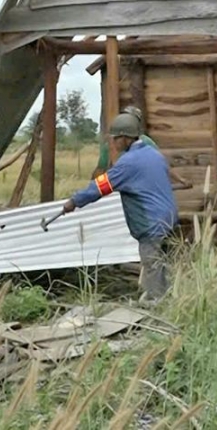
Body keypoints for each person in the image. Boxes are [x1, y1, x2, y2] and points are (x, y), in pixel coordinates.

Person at [64, 113, 178, 302]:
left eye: (116, 138)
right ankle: (166, 297)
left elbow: (101, 186)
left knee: (151, 262)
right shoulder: (154, 154)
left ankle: (156, 302)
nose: (114, 143)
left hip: (151, 220)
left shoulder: (128, 163)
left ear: (125, 138)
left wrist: (74, 201)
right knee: (161, 262)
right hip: (168, 216)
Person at [93, 105, 192, 189]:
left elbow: (162, 164)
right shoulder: (112, 144)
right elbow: (100, 169)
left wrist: (181, 180)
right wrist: (94, 188)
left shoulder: (146, 142)